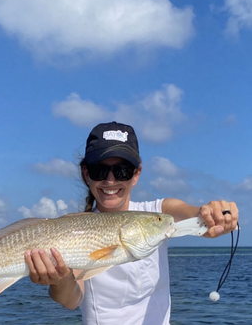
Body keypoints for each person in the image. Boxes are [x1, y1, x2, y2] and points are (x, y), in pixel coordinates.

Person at [25, 121, 239, 325]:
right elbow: (70, 301)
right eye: (99, 170)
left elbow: (192, 214)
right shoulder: (73, 232)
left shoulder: (158, 213)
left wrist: (213, 213)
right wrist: (59, 279)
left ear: (136, 175)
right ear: (86, 173)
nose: (110, 180)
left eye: (123, 170)